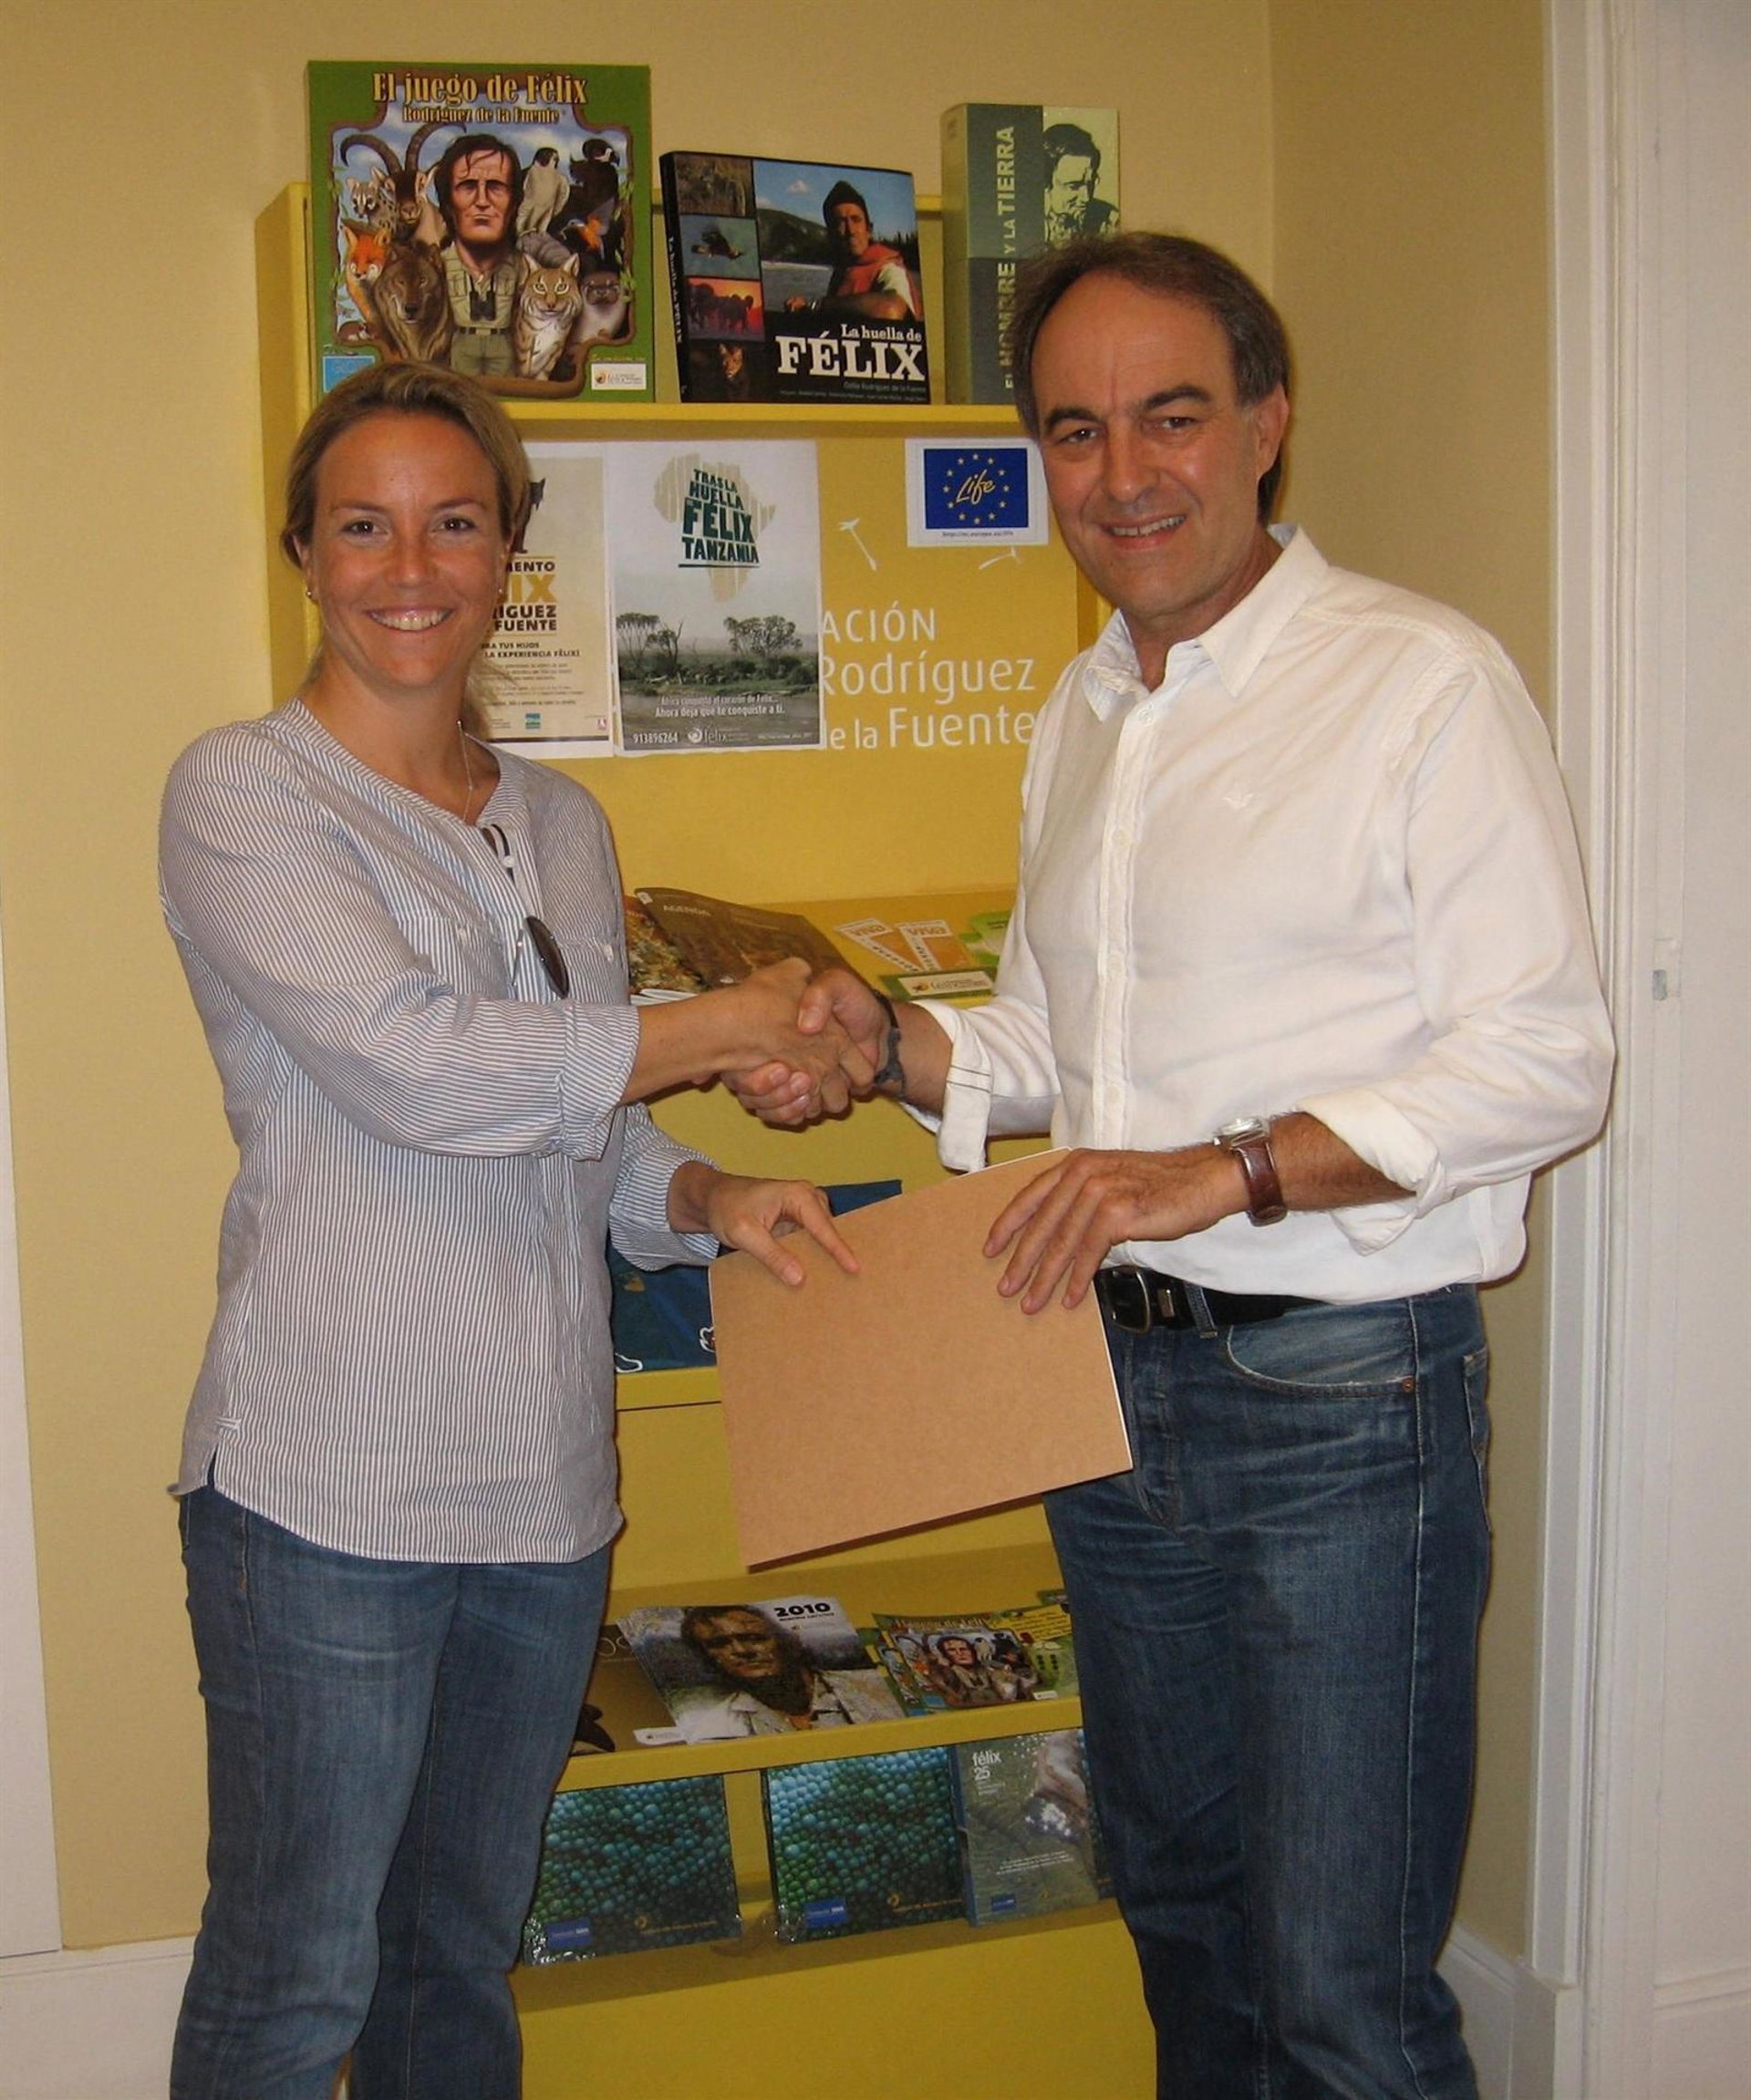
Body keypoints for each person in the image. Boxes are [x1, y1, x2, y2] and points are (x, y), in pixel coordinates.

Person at [733, 232, 1614, 2098]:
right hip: (1104, 1393)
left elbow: (1548, 1059)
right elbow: (1059, 1051)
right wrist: (885, 1045)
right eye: (1075, 430)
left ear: (1268, 423)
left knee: (1342, 1990)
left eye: (1172, 416)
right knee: (1187, 1917)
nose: (1123, 473)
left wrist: (1223, 1172)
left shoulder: (1422, 681)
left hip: (1340, 1401)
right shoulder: (1083, 712)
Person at [159, 358, 868, 2099]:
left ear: (508, 551)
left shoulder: (560, 821)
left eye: (455, 522)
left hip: (542, 1495)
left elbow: (582, 1128)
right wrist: (728, 1022)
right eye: (365, 526)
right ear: (304, 552)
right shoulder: (243, 794)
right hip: (327, 1491)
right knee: (293, 1976)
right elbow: (420, 1070)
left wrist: (707, 1196)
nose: (412, 568)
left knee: (456, 1955)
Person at [678, 1606, 901, 1733]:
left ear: (789, 1638)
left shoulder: (877, 1686)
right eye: (719, 1644)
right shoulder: (711, 1725)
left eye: (754, 1638)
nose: (741, 1651)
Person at [432, 134, 523, 378]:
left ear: (514, 204)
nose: (482, 201)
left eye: (495, 187)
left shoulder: (530, 271)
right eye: (468, 186)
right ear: (448, 204)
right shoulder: (432, 271)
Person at [785, 180, 917, 322]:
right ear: (830, 234)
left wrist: (818, 306)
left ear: (869, 230)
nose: (850, 230)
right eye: (840, 222)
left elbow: (891, 310)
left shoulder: (889, 269)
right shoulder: (843, 271)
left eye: (856, 220)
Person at [1041, 122, 1117, 244]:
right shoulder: (1026, 224)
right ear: (1046, 184)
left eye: (1090, 184)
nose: (1086, 198)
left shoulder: (1110, 221)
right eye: (1073, 186)